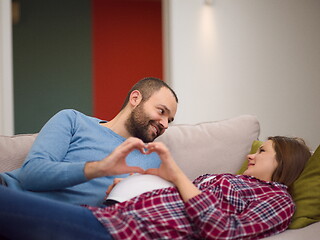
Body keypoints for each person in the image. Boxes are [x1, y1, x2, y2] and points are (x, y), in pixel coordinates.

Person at [0, 136, 311, 240]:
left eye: (263, 151)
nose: (251, 155)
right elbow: (184, 206)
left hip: (121, 232)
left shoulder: (278, 200)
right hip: (110, 216)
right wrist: (138, 189)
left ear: (283, 162)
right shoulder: (238, 181)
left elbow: (223, 232)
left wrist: (176, 175)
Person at [0, 77, 178, 206]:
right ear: (135, 99)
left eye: (169, 120)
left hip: (70, 224)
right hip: (11, 196)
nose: (164, 124)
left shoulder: (154, 160)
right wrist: (100, 168)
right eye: (162, 111)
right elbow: (31, 175)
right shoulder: (73, 120)